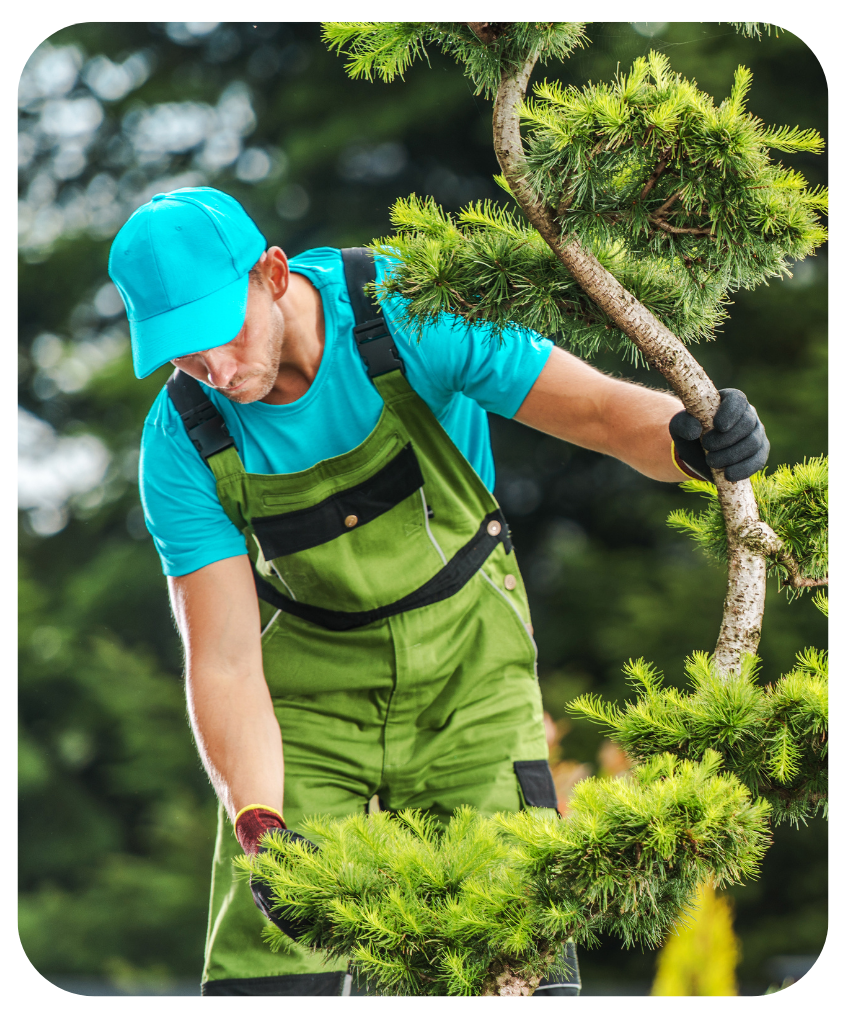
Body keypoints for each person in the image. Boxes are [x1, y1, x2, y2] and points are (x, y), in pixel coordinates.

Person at [108, 186, 768, 998]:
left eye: (218, 334)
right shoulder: (183, 438)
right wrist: (260, 825)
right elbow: (225, 661)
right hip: (307, 712)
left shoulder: (407, 308)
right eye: (180, 355)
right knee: (270, 975)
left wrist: (690, 440)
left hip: (471, 679)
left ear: (273, 274)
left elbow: (597, 412)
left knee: (508, 959)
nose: (211, 369)